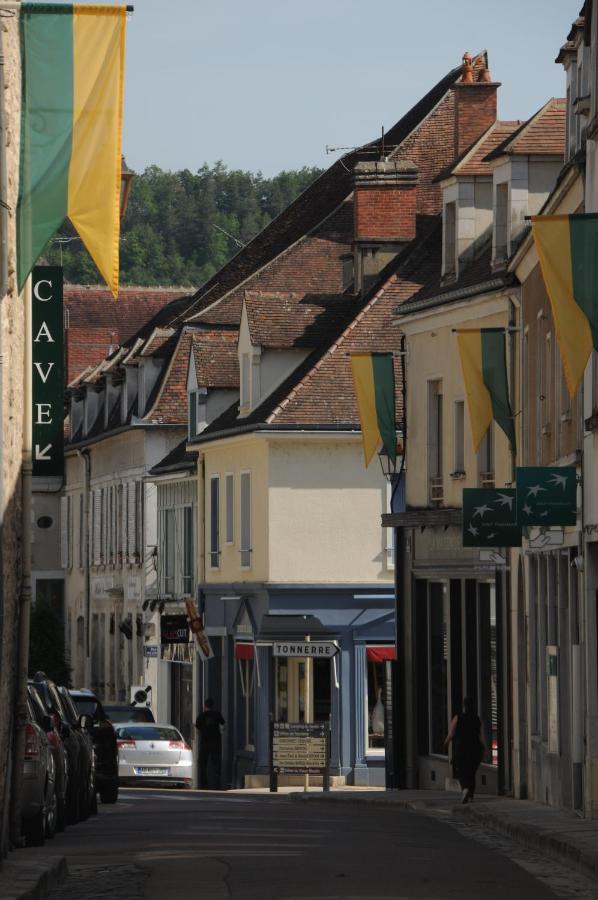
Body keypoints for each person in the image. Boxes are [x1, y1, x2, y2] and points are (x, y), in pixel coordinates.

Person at [445, 697, 485, 803]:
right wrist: (486, 749)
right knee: (471, 772)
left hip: (461, 748)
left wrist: (445, 743)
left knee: (462, 771)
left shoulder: (458, 718)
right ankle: (471, 795)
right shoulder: (477, 719)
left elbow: (451, 733)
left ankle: (465, 789)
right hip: (475, 749)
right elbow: (482, 737)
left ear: (464, 706)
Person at [195, 698, 225, 790]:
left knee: (203, 765)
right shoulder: (217, 715)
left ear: (205, 706)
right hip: (216, 743)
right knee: (216, 764)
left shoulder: (201, 715)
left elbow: (197, 727)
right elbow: (223, 724)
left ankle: (204, 785)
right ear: (213, 706)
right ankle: (217, 785)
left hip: (205, 743)